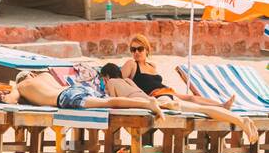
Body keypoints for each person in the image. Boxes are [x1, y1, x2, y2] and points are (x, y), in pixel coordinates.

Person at [103, 62, 259, 145]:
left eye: (104, 79)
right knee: (203, 109)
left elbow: (113, 102)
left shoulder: (111, 82)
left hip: (159, 101)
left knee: (172, 105)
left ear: (107, 76)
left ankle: (168, 106)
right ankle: (240, 120)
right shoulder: (128, 80)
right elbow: (141, 94)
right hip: (162, 98)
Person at [121, 34, 234, 108]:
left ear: (147, 50)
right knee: (188, 104)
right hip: (156, 97)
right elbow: (119, 82)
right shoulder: (131, 64)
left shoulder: (152, 65)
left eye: (139, 49)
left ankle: (221, 105)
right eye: (133, 49)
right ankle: (219, 108)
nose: (136, 52)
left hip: (166, 91)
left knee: (192, 97)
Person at [0, 69, 164, 116]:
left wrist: (6, 94)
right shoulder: (45, 75)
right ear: (32, 73)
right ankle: (165, 104)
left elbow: (10, 102)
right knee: (107, 100)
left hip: (65, 98)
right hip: (74, 89)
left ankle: (148, 103)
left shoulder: (21, 86)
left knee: (109, 103)